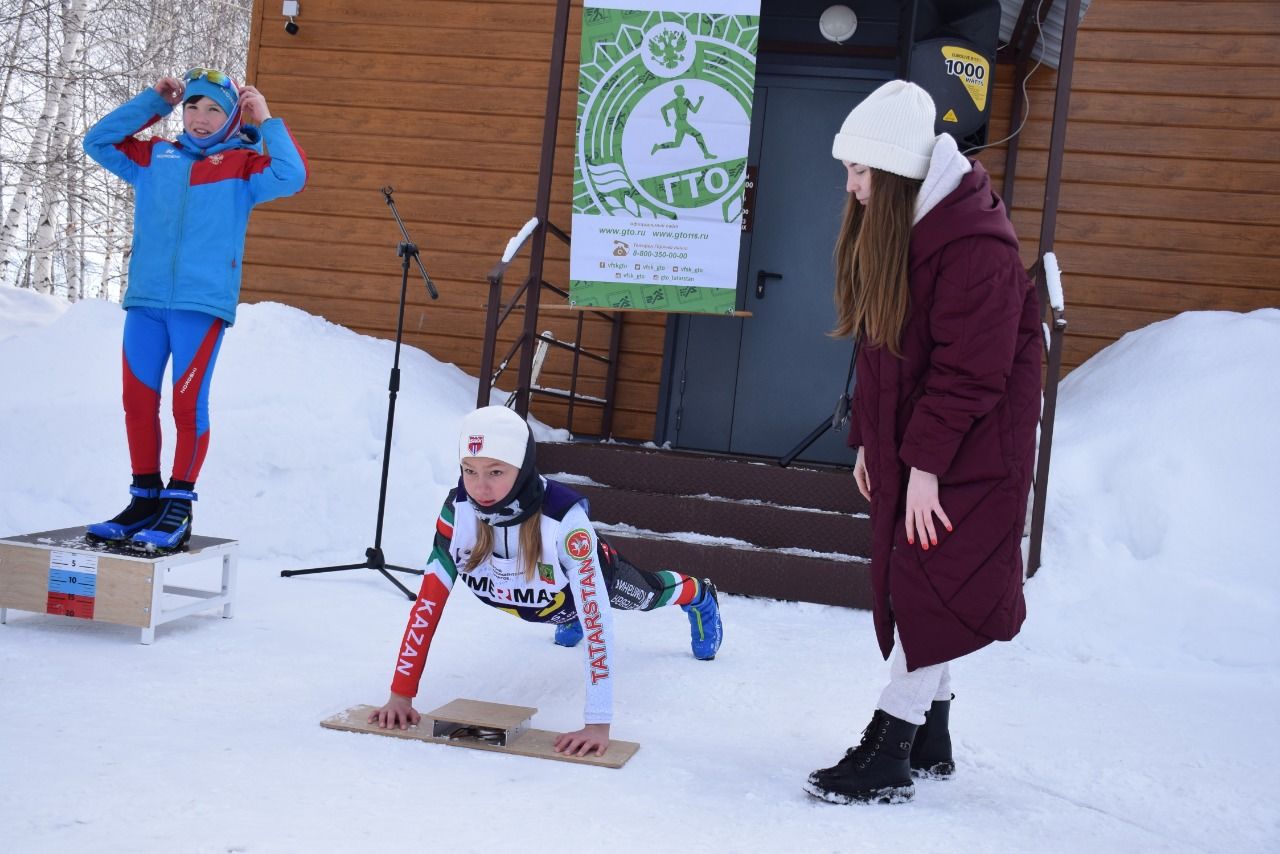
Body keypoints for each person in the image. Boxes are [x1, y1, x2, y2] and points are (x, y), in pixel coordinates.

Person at [803, 80, 1041, 804]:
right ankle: (931, 734)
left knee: (929, 583)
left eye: (861, 172)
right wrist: (870, 443)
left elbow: (972, 373)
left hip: (973, 453)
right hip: (929, 447)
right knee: (929, 584)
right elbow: (882, 354)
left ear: (900, 173)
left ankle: (891, 745)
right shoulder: (911, 233)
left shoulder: (977, 248)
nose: (851, 186)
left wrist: (926, 469)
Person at [369, 405, 724, 756]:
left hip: (576, 591)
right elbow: (428, 604)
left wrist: (597, 724)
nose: (480, 487)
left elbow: (597, 619)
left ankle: (698, 594)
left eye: (496, 471)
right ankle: (569, 620)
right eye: (469, 470)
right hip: (525, 597)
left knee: (646, 595)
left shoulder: (564, 520)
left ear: (522, 468)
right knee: (569, 612)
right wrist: (400, 695)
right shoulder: (458, 511)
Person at [82, 67, 307, 550]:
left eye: (214, 110)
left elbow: (293, 175)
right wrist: (153, 103)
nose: (200, 118)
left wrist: (265, 120)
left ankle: (178, 507)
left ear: (231, 117)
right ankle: (144, 500)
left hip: (199, 307)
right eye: (193, 107)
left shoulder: (244, 167)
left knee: (187, 405)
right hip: (146, 302)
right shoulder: (154, 156)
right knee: (138, 403)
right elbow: (97, 142)